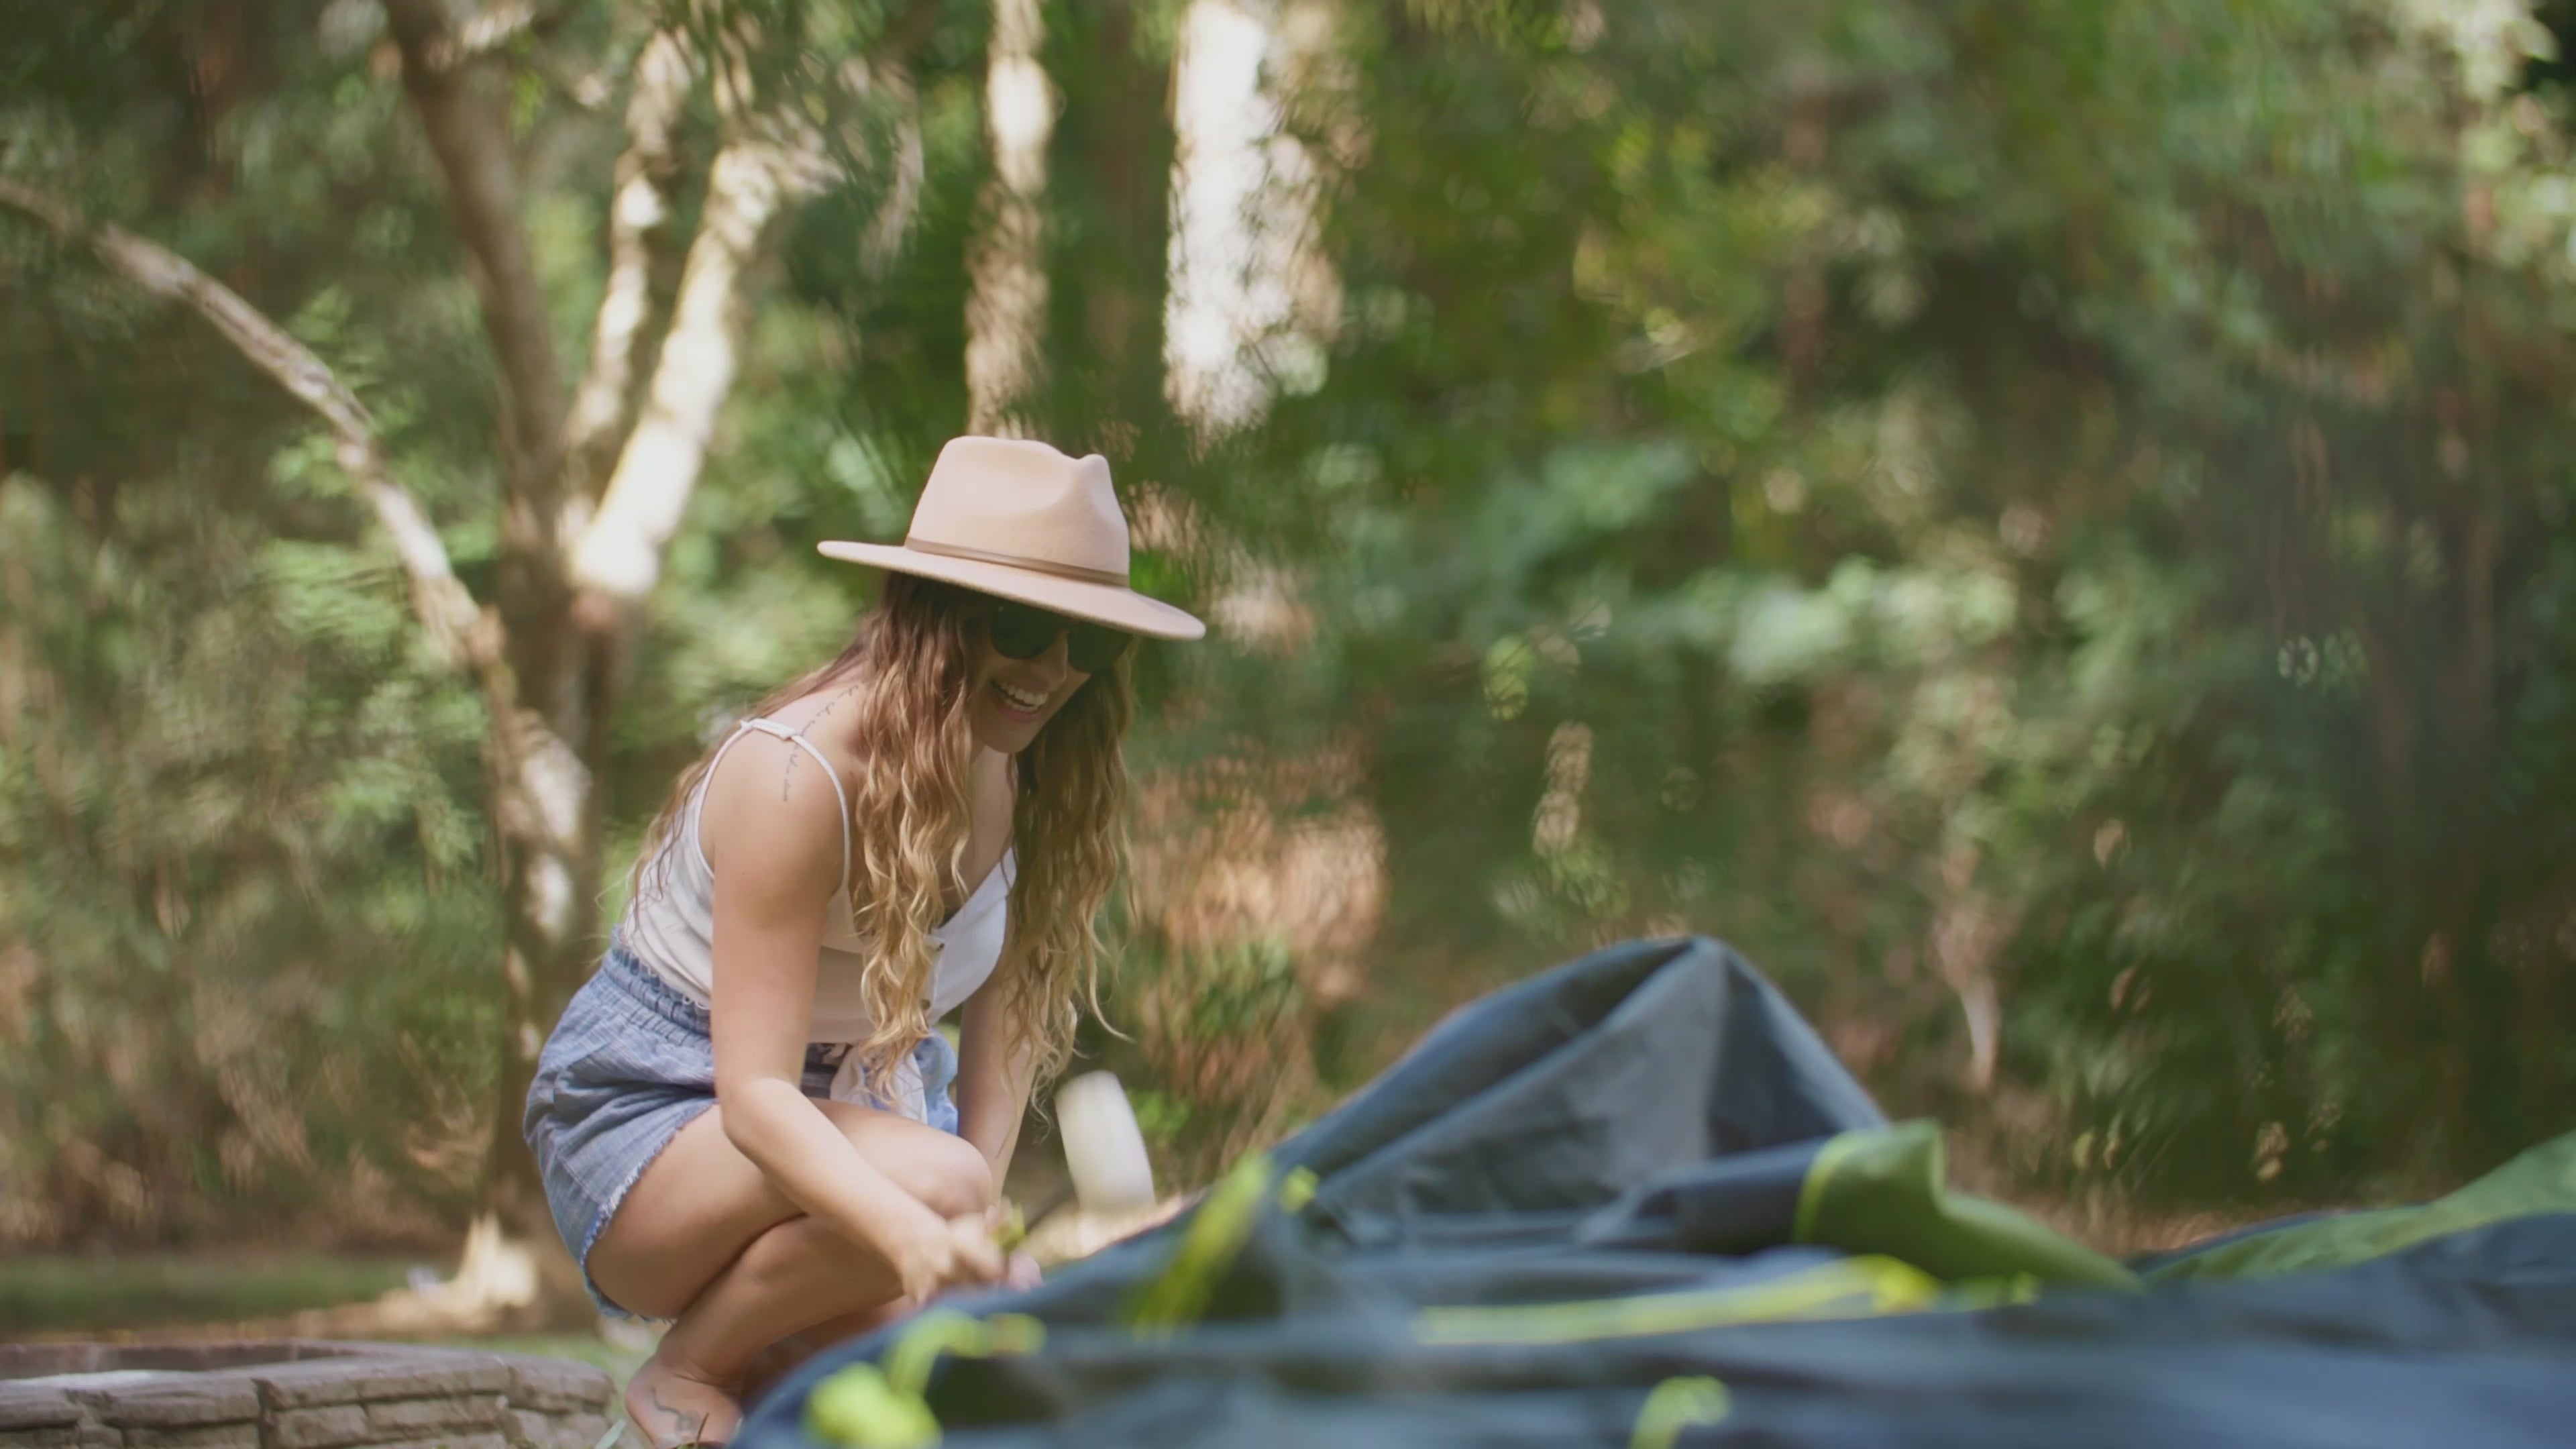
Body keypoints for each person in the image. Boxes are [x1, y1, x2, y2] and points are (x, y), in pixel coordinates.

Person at [523, 437, 1205, 1448]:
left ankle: (759, 1367)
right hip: (658, 1121)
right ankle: (689, 1366)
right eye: (1023, 627)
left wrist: (964, 1249)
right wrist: (922, 1225)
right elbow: (757, 1097)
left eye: (1089, 642)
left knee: (981, 1364)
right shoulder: (797, 775)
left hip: (868, 1120)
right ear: (937, 616)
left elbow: (1006, 1044)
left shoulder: (1035, 780)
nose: (1055, 670)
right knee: (944, 1186)